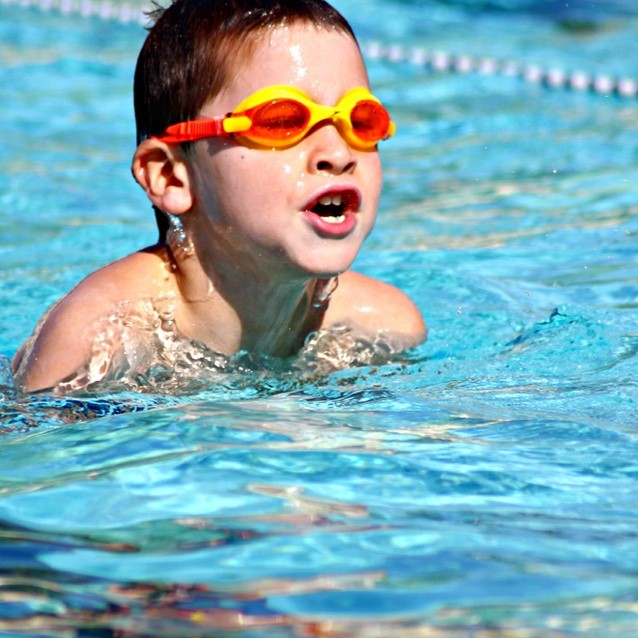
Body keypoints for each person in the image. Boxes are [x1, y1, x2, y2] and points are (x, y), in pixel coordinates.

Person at [12, 0, 426, 394]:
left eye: (361, 120)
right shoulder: (101, 337)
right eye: (282, 120)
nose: (338, 154)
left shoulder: (385, 327)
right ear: (171, 176)